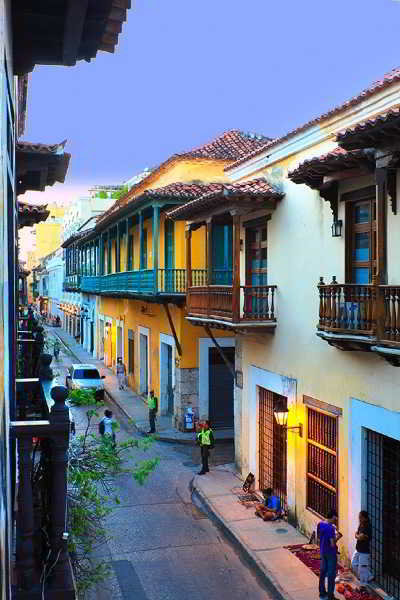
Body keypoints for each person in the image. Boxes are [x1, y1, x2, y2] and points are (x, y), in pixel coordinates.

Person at [317, 509, 341, 600]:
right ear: (333, 517)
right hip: (331, 553)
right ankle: (330, 595)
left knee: (323, 572)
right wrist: (337, 537)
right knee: (331, 574)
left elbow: (319, 537)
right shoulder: (331, 528)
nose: (335, 520)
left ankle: (322, 592)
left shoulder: (320, 524)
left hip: (323, 551)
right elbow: (332, 543)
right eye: (335, 519)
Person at [351, 511, 373, 585]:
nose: (359, 518)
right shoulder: (361, 524)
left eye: (360, 517)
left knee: (363, 569)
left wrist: (358, 536)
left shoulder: (367, 526)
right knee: (353, 564)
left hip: (364, 551)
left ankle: (364, 583)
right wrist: (358, 536)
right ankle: (369, 576)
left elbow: (360, 537)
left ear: (364, 518)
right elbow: (356, 535)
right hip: (358, 549)